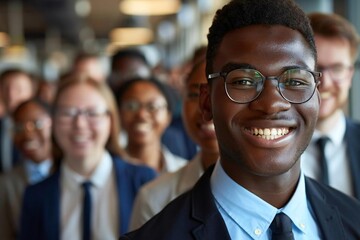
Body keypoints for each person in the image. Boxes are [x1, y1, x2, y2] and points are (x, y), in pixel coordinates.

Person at [120, 0, 360, 239]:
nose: (271, 104)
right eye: (244, 81)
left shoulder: (353, 220)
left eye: (295, 81)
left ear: (316, 96)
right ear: (206, 103)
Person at [19, 74, 157, 240]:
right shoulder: (36, 196)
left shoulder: (144, 181)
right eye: (68, 113)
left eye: (92, 113)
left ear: (111, 120)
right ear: (53, 121)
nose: (80, 124)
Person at [129, 59, 219, 230]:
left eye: (221, 91)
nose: (206, 106)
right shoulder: (155, 197)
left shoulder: (276, 192)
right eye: (194, 94)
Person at [301, 12, 360, 199]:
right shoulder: (272, 147)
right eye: (314, 69)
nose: (324, 82)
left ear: (350, 75)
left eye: (337, 69)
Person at [0, 98, 53, 240]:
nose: (27, 134)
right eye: (19, 127)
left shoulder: (69, 173)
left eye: (37, 124)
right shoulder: (6, 184)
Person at [115, 77, 188, 173]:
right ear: (118, 113)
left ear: (168, 116)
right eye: (131, 106)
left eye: (152, 107)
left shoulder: (185, 172)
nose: (141, 115)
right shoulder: (106, 171)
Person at [0, 69, 36, 173]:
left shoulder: (44, 127)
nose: (11, 95)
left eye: (18, 89)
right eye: (6, 89)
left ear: (31, 92)